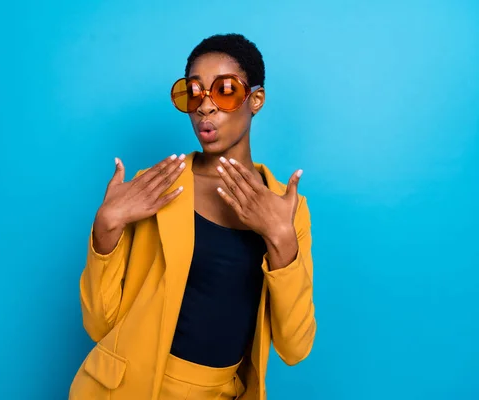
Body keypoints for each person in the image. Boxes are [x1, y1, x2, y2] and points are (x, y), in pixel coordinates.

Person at [68, 33, 316, 400]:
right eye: (194, 92)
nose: (205, 107)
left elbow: (294, 347)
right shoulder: (152, 189)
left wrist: (281, 238)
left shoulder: (285, 209)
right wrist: (106, 226)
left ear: (256, 99)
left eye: (225, 90)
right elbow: (99, 323)